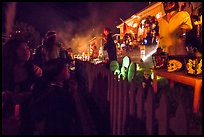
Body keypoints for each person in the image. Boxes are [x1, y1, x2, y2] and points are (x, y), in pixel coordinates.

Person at [2, 38, 43, 134]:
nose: (27, 51)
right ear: (12, 51)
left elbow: (40, 91)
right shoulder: (5, 69)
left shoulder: (34, 70)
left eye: (27, 48)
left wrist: (27, 94)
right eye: (22, 48)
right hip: (7, 114)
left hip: (28, 113)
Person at [29, 58, 78, 135]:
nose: (69, 70)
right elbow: (65, 116)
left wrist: (72, 91)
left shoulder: (53, 87)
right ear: (57, 72)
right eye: (66, 67)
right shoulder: (57, 93)